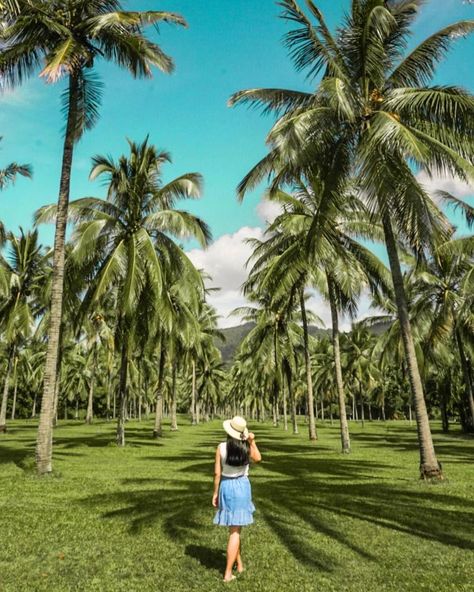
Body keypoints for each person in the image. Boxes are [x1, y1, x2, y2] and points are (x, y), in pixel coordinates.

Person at [212, 415, 262, 582]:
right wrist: (252, 441)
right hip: (242, 487)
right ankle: (227, 573)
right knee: (235, 531)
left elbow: (217, 473)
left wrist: (215, 493)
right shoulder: (246, 447)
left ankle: (239, 564)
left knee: (235, 529)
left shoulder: (220, 447)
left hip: (226, 486)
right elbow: (258, 458)